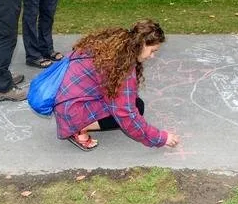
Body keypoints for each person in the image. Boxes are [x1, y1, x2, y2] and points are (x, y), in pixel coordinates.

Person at [54, 19, 180, 151]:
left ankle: (78, 121)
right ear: (141, 44)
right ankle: (79, 127)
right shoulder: (121, 68)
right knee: (136, 107)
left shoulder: (112, 47)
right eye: (152, 50)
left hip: (64, 100)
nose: (152, 56)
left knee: (133, 102)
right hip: (71, 112)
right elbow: (126, 114)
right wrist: (160, 138)